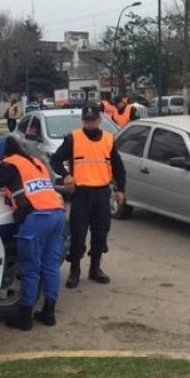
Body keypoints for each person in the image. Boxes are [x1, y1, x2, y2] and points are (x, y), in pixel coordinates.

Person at [0, 136, 65, 331]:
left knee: (30, 269)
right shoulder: (36, 162)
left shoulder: (9, 165)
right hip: (57, 215)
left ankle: (25, 318)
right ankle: (49, 313)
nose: (0, 164)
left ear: (3, 155)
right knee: (50, 267)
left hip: (37, 219)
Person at [49, 105, 126, 289]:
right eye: (87, 120)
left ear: (99, 120)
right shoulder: (73, 138)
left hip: (101, 193)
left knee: (100, 233)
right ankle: (75, 270)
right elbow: (55, 160)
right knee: (78, 235)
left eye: (93, 120)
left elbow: (118, 167)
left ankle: (95, 268)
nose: (90, 123)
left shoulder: (108, 139)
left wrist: (121, 189)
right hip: (81, 194)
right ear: (83, 121)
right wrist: (66, 176)